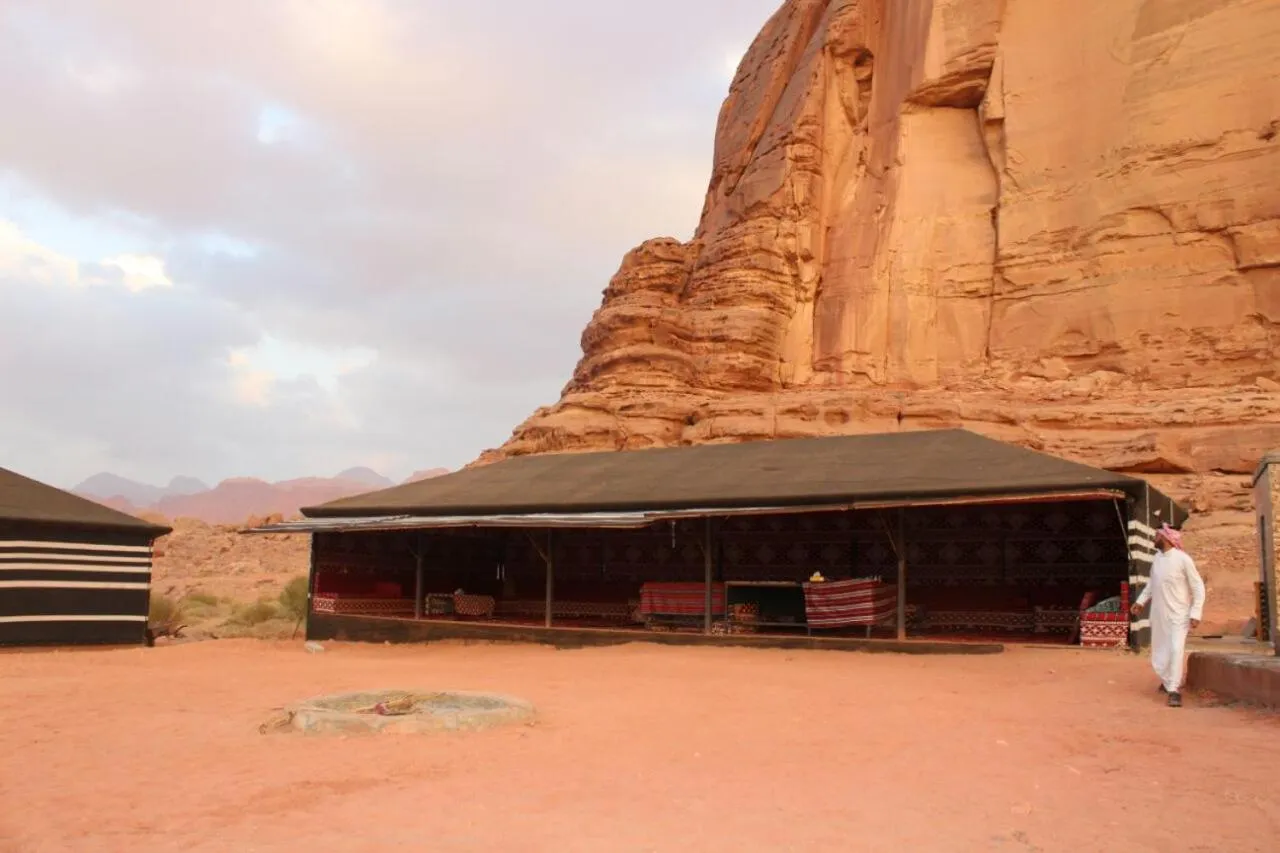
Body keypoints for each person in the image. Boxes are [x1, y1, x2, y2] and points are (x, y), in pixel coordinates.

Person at [1130, 524, 1206, 707]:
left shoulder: (1183, 559)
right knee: (1161, 649)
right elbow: (1151, 584)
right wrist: (1140, 602)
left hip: (1179, 615)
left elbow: (1197, 586)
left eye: (1156, 536)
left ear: (1166, 538)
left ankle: (1174, 690)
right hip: (1159, 614)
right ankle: (1167, 680)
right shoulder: (1157, 559)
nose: (1154, 539)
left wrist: (1196, 612)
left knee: (1175, 649)